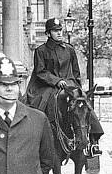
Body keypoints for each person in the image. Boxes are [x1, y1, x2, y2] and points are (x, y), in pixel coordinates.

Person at [25, 17, 103, 156]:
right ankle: (36, 138)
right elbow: (40, 72)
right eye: (55, 31)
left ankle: (93, 141)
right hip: (47, 86)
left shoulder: (69, 49)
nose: (59, 33)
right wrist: (56, 81)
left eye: (60, 30)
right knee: (40, 106)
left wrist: (78, 89)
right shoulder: (41, 51)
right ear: (48, 33)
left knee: (84, 105)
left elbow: (76, 72)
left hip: (70, 84)